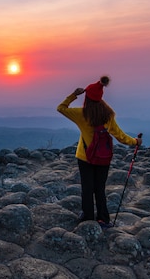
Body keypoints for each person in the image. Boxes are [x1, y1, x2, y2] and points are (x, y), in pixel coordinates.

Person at [57, 76, 142, 228]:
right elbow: (120, 136)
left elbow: (61, 108)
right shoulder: (108, 115)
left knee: (87, 188)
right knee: (100, 189)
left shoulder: (81, 114)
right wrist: (135, 142)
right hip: (103, 158)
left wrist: (73, 94)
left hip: (85, 157)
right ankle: (103, 219)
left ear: (87, 97)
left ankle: (88, 217)